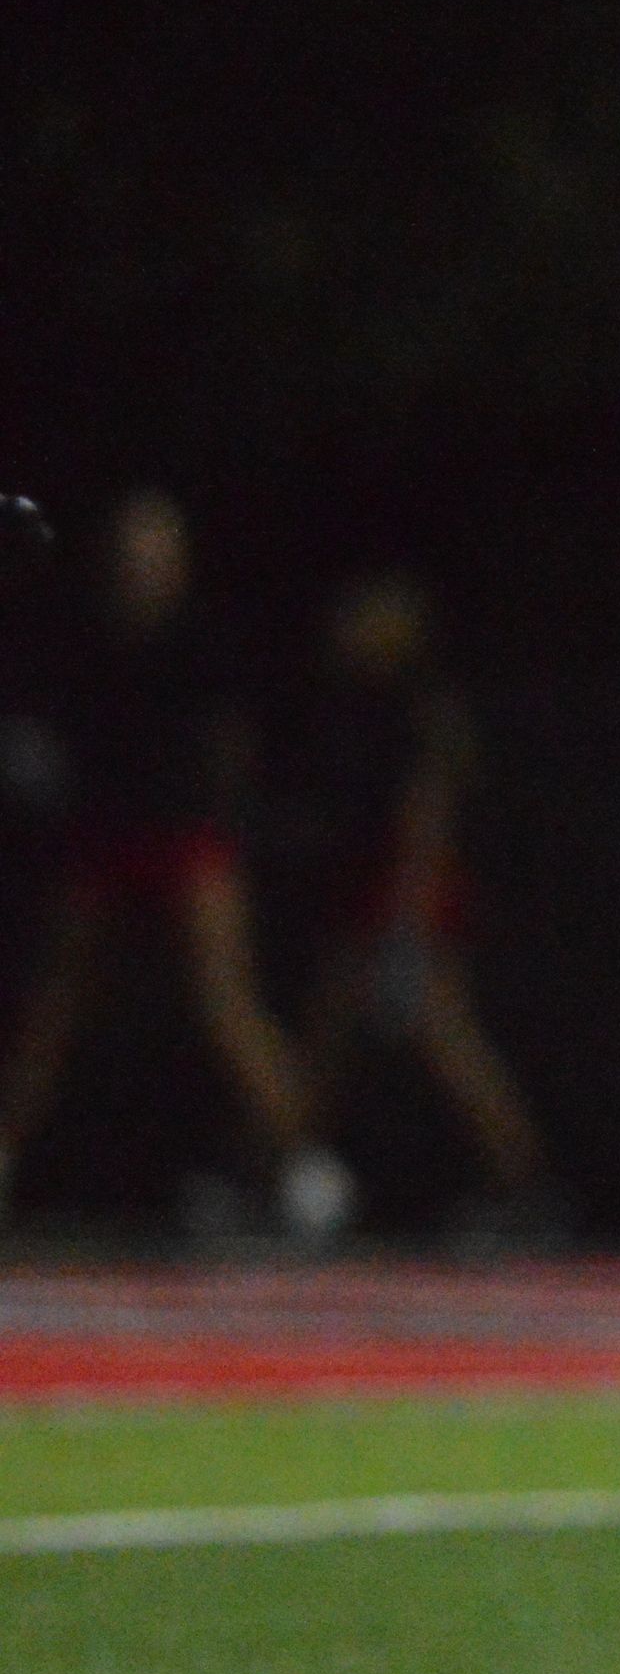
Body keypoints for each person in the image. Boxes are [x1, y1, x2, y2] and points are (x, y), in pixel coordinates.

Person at [0, 490, 351, 1241]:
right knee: (53, 1006)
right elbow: (64, 742)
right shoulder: (86, 637)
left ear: (179, 561)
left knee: (223, 1001)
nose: (140, 564)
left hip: (187, 836)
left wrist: (223, 831)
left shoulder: (204, 640)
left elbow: (232, 752)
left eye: (155, 551)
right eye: (130, 550)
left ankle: (305, 1163)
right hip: (105, 837)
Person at [289, 570, 562, 1248]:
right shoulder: (359, 705)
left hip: (408, 894)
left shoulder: (417, 711)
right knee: (326, 1044)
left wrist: (407, 933)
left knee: (447, 1043)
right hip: (372, 890)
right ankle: (279, 1169)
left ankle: (526, 1184)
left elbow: (424, 825)